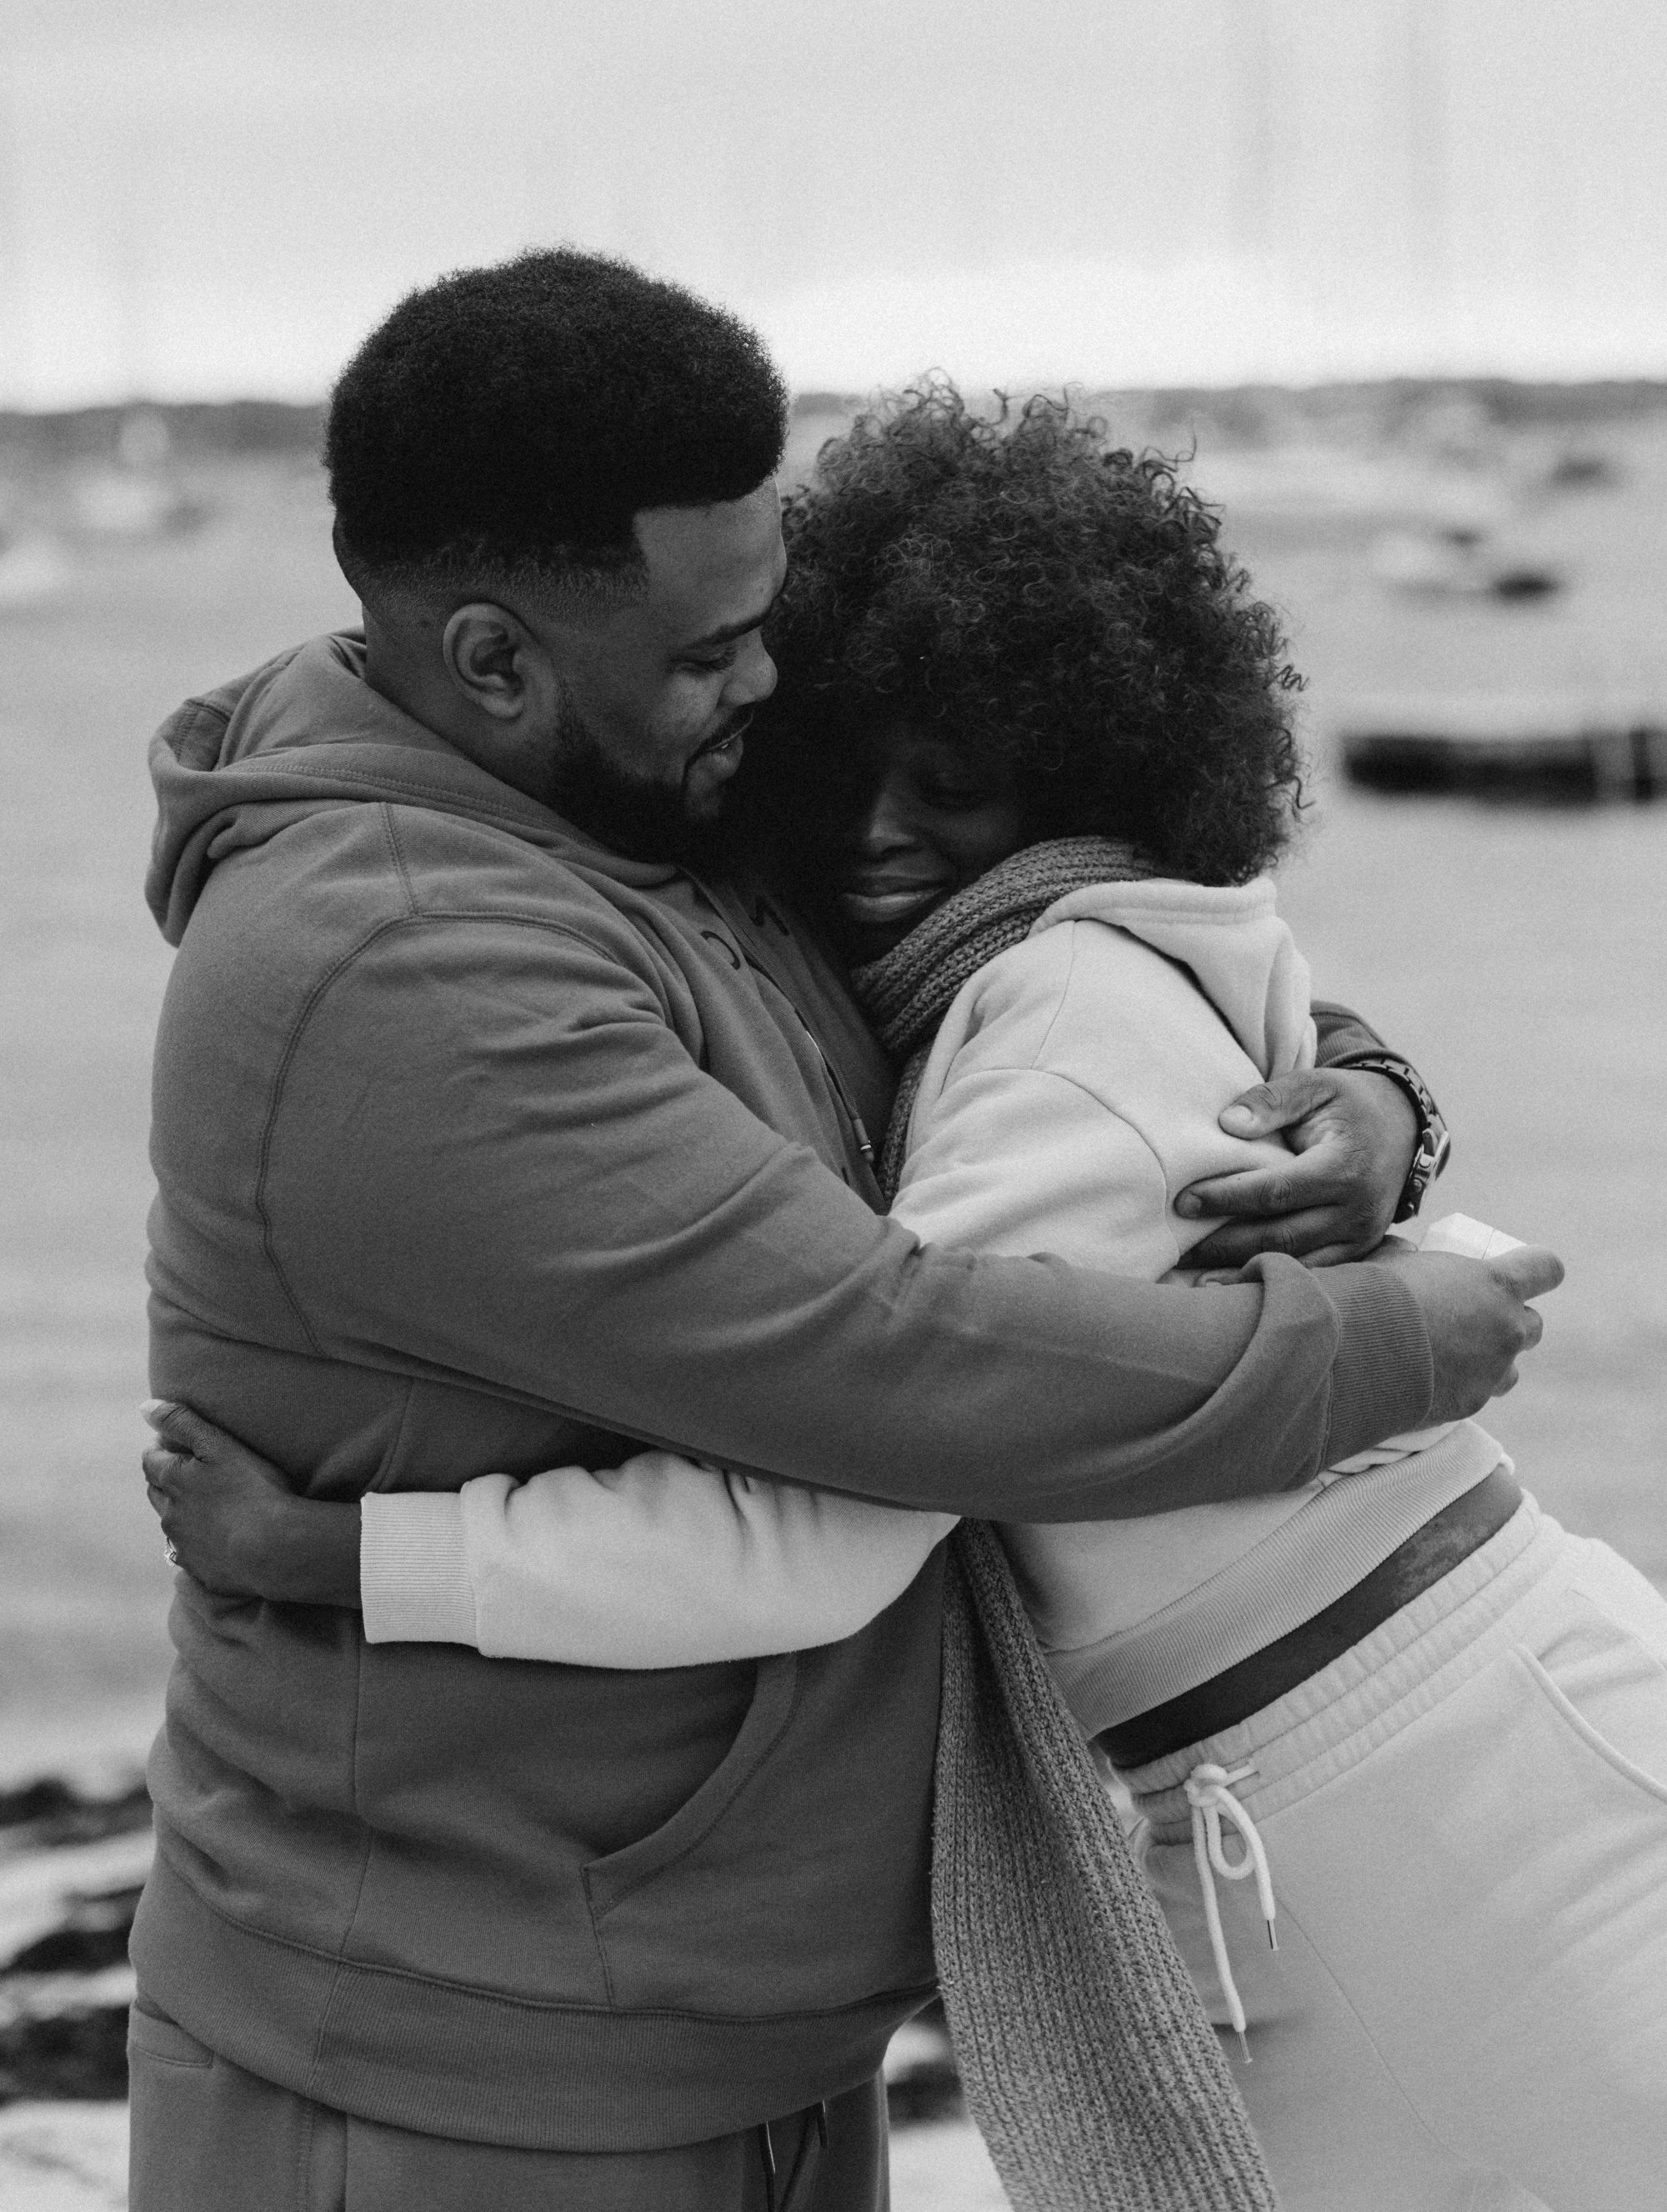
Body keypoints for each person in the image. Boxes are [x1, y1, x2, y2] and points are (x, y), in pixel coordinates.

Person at [132, 259, 1549, 2212]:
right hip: (461, 2074)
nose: (770, 686)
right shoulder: (415, 961)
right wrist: (1393, 1342)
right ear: (490, 658)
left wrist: (1370, 1093)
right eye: (715, 650)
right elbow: (890, 1373)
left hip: (699, 2028)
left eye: (765, 617)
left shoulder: (630, 801)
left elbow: (1104, 936)